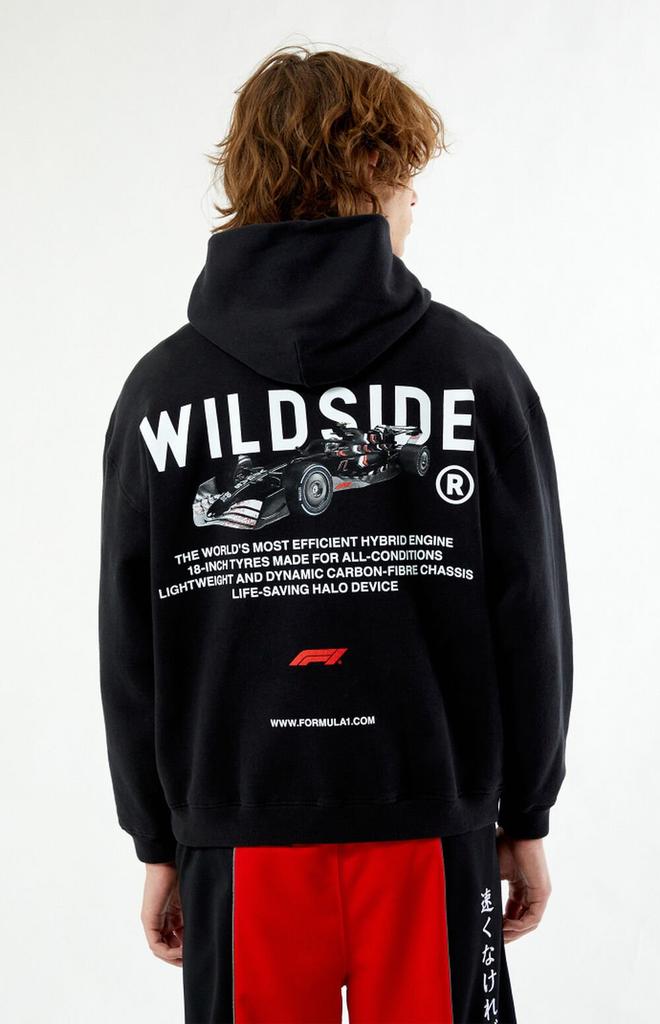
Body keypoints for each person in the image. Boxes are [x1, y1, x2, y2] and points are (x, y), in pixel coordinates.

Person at [98, 45, 573, 1023]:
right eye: (410, 181)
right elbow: (530, 610)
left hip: (239, 831)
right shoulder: (472, 372)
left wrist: (159, 839)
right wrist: (525, 813)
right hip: (430, 824)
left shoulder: (161, 392)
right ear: (377, 170)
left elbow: (131, 638)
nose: (415, 206)